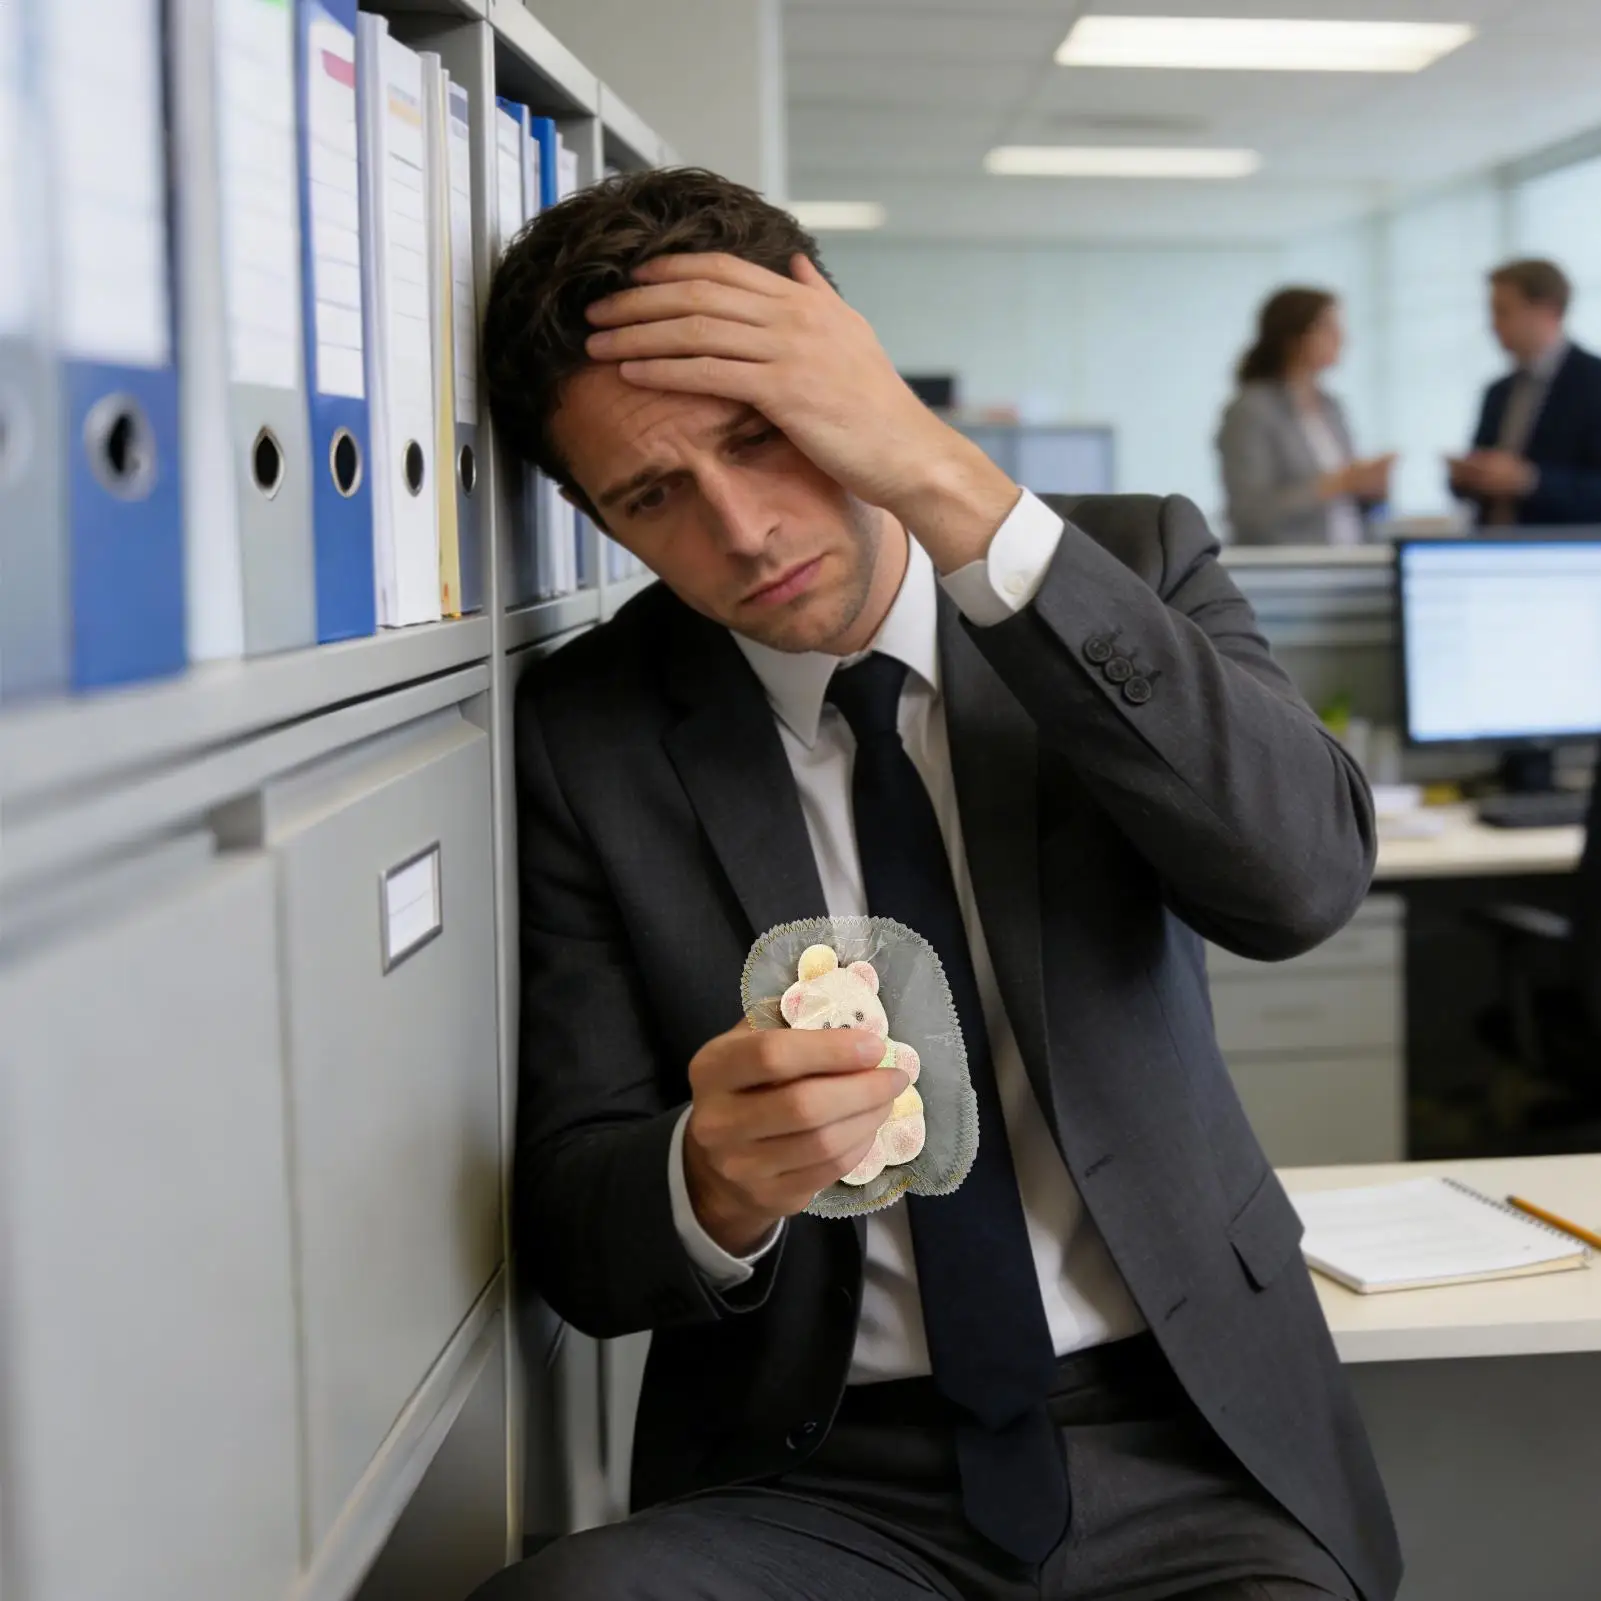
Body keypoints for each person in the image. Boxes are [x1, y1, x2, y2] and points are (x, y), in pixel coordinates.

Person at [475, 167, 1400, 1601]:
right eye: (656, 495)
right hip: (815, 1481)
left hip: (1188, 1443)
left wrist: (948, 483)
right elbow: (584, 1229)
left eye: (762, 434)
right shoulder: (589, 730)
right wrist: (710, 1178)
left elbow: (1302, 881)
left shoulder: (1127, 561)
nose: (743, 529)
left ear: (843, 362)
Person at [1216, 288, 1394, 546]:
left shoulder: (1332, 407)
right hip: (1290, 569)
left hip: (1348, 559)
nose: (1341, 338)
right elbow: (1249, 512)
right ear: (1293, 337)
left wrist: (1368, 488)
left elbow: (1348, 502)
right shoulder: (1251, 411)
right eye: (1327, 328)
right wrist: (1336, 484)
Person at [1449, 258, 1601, 525]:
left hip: (1562, 554)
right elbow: (1472, 484)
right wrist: (1468, 476)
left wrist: (1530, 482)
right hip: (1490, 548)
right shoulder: (1497, 392)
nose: (1493, 325)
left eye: (1503, 311)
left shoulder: (1593, 383)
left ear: (1548, 311)